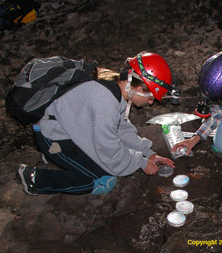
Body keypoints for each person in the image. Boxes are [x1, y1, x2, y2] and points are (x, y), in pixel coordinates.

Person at [16, 52, 176, 196]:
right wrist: (140, 162)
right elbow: (109, 153)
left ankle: (59, 158)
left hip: (65, 124)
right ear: (139, 88)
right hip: (53, 134)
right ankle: (35, 179)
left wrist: (148, 153)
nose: (150, 102)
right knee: (103, 181)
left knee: (104, 160)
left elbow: (120, 128)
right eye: (151, 97)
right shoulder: (104, 103)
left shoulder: (113, 84)